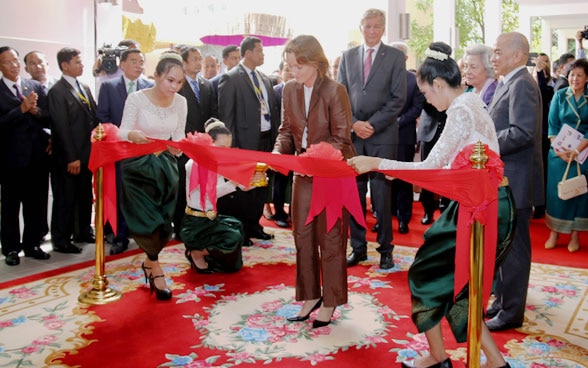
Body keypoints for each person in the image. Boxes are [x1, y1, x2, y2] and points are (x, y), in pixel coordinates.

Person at [348, 42, 515, 368]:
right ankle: (489, 362)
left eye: (425, 92)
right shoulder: (470, 102)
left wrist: (376, 163)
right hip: (479, 202)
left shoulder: (461, 112)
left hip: (478, 208)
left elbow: (431, 168)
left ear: (439, 85)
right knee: (458, 285)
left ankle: (442, 358)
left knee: (429, 276)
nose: (426, 100)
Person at [273, 34, 355, 328]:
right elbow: (285, 132)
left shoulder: (335, 90)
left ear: (315, 62)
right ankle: (310, 295)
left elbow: (342, 138)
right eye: (289, 66)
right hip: (302, 175)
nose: (293, 72)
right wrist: (277, 153)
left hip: (331, 174)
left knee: (331, 238)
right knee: (302, 237)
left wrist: (316, 158)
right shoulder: (288, 91)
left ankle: (331, 300)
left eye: (298, 66)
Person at [338, 8, 406, 270]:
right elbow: (340, 95)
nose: (372, 31)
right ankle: (358, 248)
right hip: (354, 137)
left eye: (377, 26)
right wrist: (354, 123)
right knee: (354, 195)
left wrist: (373, 125)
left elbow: (398, 98)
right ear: (361, 27)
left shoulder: (395, 57)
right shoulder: (347, 56)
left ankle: (386, 249)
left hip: (383, 135)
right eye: (367, 26)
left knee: (382, 196)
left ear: (384, 28)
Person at [486, 32, 543, 332]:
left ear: (518, 55)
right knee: (504, 247)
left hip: (517, 182)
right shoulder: (508, 83)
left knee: (515, 250)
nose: (493, 58)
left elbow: (521, 132)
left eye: (497, 52)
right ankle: (502, 302)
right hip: (504, 179)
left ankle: (511, 313)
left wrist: (486, 142)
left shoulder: (523, 85)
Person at [118, 52, 187, 300]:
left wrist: (178, 146)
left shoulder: (181, 102)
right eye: (170, 80)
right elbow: (122, 130)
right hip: (137, 168)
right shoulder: (137, 98)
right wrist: (131, 135)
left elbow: (178, 134)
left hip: (166, 166)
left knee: (163, 221)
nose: (174, 86)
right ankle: (156, 269)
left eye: (179, 82)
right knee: (146, 221)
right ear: (156, 76)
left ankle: (149, 261)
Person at [217, 36, 280, 246]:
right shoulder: (231, 78)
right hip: (244, 143)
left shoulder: (264, 77)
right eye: (260, 51)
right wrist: (231, 146)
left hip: (265, 140)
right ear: (248, 53)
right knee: (244, 186)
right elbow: (227, 115)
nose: (263, 55)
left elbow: (271, 108)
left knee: (261, 185)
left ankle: (255, 224)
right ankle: (241, 228)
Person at [96, 48, 154, 254]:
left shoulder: (150, 87)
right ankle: (120, 237)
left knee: (142, 194)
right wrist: (124, 135)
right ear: (122, 64)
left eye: (141, 61)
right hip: (120, 149)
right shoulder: (109, 87)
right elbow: (102, 117)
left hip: (144, 150)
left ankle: (142, 235)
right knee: (121, 193)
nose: (139, 65)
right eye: (134, 61)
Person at [0, 46, 52, 266]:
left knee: (36, 204)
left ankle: (32, 244)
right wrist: (20, 110)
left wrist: (36, 111)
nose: (14, 65)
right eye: (7, 62)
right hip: (11, 160)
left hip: (38, 158)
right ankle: (11, 248)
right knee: (11, 207)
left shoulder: (35, 86)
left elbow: (49, 117)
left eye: (15, 60)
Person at [48, 47, 98, 254]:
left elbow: (93, 116)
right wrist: (72, 157)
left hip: (87, 154)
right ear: (65, 65)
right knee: (65, 198)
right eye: (77, 62)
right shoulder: (57, 91)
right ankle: (61, 239)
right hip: (70, 158)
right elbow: (61, 127)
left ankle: (83, 231)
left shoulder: (84, 87)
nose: (82, 65)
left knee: (84, 195)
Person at [181, 119, 246, 273]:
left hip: (211, 217)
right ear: (209, 143)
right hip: (196, 222)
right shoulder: (194, 164)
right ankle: (197, 252)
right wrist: (234, 183)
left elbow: (235, 185)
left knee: (237, 225)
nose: (225, 151)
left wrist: (250, 181)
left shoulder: (216, 162)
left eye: (228, 148)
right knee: (232, 237)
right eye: (221, 147)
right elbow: (210, 194)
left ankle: (208, 256)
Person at [174, 46, 218, 241]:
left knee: (202, 183)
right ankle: (179, 225)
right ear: (183, 63)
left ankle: (201, 223)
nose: (198, 62)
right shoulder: (178, 84)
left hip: (204, 145)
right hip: (183, 143)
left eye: (200, 58)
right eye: (194, 59)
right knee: (183, 184)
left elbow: (212, 113)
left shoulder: (206, 84)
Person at [544, 58, 588, 252]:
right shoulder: (560, 95)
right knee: (556, 194)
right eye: (572, 75)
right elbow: (552, 124)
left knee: (578, 193)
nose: (575, 79)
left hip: (582, 153)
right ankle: (554, 232)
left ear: (587, 78)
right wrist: (559, 149)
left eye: (579, 75)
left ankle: (575, 235)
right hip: (559, 153)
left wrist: (578, 149)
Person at [389, 41, 425, 234]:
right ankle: (385, 217)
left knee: (403, 179)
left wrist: (398, 121)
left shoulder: (413, 80)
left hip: (404, 136)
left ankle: (404, 218)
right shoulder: (380, 78)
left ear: (404, 58)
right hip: (383, 137)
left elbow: (417, 107)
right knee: (384, 179)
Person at [267, 60, 294, 228]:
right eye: (287, 69)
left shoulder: (301, 89)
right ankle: (279, 212)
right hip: (281, 142)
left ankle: (294, 211)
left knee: (297, 180)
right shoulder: (275, 92)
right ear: (280, 72)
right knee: (280, 180)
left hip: (298, 143)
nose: (290, 72)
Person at [531, 52, 555, 219]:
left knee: (543, 171)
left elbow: (543, 92)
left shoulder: (552, 85)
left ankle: (542, 206)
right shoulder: (529, 85)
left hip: (545, 134)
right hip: (533, 133)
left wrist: (540, 73)